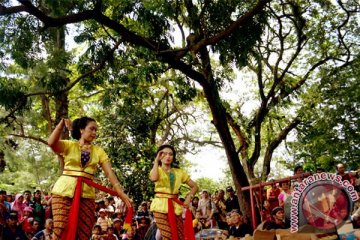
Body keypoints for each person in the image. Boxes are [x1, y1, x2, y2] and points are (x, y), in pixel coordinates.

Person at [47, 116, 132, 240]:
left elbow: (109, 173)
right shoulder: (69, 145)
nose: (94, 133)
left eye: (96, 130)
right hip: (63, 192)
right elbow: (51, 143)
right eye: (91, 129)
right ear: (82, 130)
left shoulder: (99, 151)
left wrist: (120, 192)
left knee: (84, 233)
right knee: (60, 230)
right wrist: (60, 126)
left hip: (86, 194)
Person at [149, 144, 198, 240]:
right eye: (164, 154)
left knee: (180, 236)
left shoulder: (180, 172)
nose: (168, 156)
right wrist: (156, 161)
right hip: (160, 206)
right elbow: (154, 178)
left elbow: (195, 186)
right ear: (160, 156)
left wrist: (189, 198)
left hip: (175, 206)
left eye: (170, 154)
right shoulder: (156, 170)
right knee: (168, 235)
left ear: (173, 157)